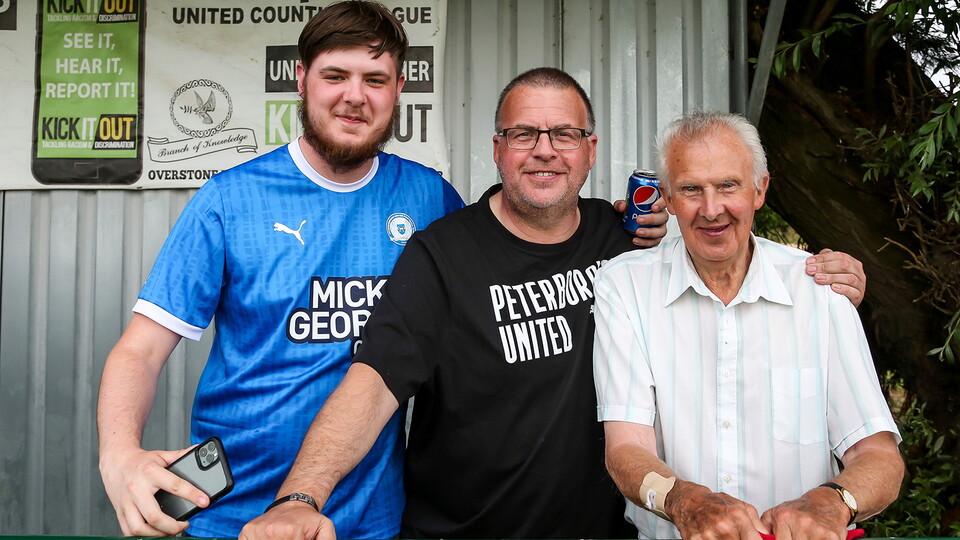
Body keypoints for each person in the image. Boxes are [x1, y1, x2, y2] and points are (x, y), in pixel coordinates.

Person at [239, 69, 870, 540]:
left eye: (564, 134)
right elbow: (373, 385)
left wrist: (828, 278)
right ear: (498, 149)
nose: (545, 149)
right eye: (524, 134)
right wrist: (301, 497)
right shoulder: (443, 255)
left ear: (590, 151)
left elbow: (720, 236)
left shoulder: (620, 240)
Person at [96, 2, 467, 538]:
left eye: (375, 79)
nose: (354, 96)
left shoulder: (429, 198)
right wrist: (120, 454)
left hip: (370, 520)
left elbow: (504, 260)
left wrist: (615, 224)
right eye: (335, 75)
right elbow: (140, 350)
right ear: (301, 79)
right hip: (228, 515)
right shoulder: (229, 199)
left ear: (399, 88)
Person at [592, 110, 904, 540]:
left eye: (727, 185)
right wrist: (684, 501)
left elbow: (878, 453)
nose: (711, 209)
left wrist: (834, 501)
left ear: (760, 190)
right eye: (690, 190)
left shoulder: (819, 287)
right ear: (666, 197)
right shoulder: (625, 285)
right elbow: (626, 448)